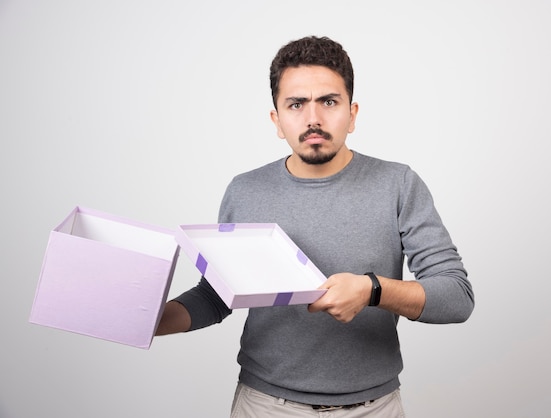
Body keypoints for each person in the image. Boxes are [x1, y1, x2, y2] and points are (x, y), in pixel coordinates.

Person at [156, 35, 474, 417]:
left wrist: (372, 289)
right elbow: (216, 296)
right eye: (296, 104)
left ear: (352, 114)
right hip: (266, 405)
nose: (313, 119)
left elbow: (456, 297)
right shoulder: (245, 191)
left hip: (373, 408)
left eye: (328, 101)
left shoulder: (399, 184)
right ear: (277, 119)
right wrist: (148, 320)